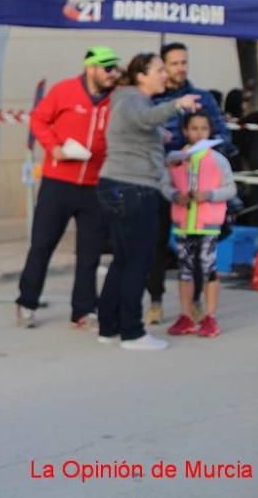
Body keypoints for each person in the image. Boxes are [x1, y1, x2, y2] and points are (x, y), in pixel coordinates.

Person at [96, 53, 201, 351]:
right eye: (158, 70)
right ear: (141, 76)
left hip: (122, 186)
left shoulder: (130, 101)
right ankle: (132, 333)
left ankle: (109, 326)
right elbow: (144, 120)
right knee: (137, 262)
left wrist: (172, 156)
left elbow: (143, 145)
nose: (165, 74)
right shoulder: (133, 101)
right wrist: (177, 105)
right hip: (132, 190)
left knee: (124, 260)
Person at [15, 46, 120, 328]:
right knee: (42, 244)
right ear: (91, 68)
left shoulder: (116, 99)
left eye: (115, 68)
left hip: (94, 185)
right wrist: (55, 148)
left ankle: (84, 309)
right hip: (58, 182)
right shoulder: (65, 90)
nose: (113, 74)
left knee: (90, 252)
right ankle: (27, 302)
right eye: (107, 68)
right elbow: (38, 119)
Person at [145, 42, 233, 324]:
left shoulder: (202, 98)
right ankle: (156, 301)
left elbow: (224, 137)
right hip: (163, 182)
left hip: (198, 188)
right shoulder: (153, 100)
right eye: (174, 63)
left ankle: (195, 303)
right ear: (163, 67)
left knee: (196, 248)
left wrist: (202, 151)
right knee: (157, 244)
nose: (180, 68)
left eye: (184, 62)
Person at [162, 112, 236, 339]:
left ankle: (210, 317)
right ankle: (185, 315)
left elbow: (230, 188)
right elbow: (165, 184)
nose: (199, 132)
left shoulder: (218, 160)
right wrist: (176, 196)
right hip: (184, 223)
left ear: (210, 131)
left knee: (208, 269)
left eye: (203, 128)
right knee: (185, 271)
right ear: (185, 131)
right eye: (194, 128)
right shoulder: (176, 159)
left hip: (208, 224)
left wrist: (209, 195)